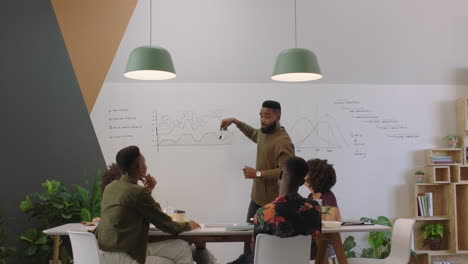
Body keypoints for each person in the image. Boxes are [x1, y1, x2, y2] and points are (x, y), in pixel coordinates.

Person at [94, 146, 201, 264]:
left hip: (102, 255)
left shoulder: (110, 187)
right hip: (124, 256)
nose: (146, 166)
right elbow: (167, 225)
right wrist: (188, 225)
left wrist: (148, 191)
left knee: (181, 247)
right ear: (140, 167)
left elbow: (132, 207)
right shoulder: (137, 192)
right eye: (144, 163)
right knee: (182, 249)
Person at [220, 100, 295, 252]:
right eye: (261, 116)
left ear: (278, 116)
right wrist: (236, 121)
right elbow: (254, 134)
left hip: (274, 203)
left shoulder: (283, 141)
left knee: (268, 244)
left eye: (267, 116)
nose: (262, 120)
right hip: (256, 199)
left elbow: (285, 171)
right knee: (249, 241)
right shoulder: (263, 132)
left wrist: (258, 174)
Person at [228, 156, 322, 264]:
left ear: (280, 175)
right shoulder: (315, 208)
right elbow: (314, 250)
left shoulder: (264, 212)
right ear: (301, 182)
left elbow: (256, 250)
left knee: (244, 258)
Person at [305, 158, 341, 261]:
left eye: (306, 172)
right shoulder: (311, 196)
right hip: (315, 241)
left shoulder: (327, 197)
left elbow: (332, 221)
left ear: (315, 176)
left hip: (326, 246)